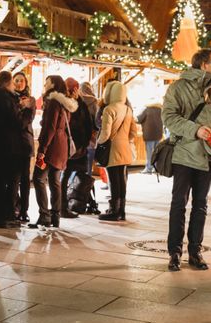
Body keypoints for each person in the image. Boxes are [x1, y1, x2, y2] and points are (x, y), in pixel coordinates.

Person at [164, 48, 211, 272]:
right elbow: (168, 117)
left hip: (207, 154)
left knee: (201, 205)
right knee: (179, 203)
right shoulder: (178, 87)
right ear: (203, 64)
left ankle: (195, 251)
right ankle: (174, 253)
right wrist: (195, 130)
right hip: (184, 153)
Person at [30, 75, 76, 228]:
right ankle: (55, 215)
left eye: (47, 82)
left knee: (38, 178)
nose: (44, 84)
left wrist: (42, 149)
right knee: (55, 181)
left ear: (53, 85)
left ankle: (44, 215)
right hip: (61, 145)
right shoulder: (64, 102)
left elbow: (50, 127)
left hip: (52, 146)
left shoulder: (53, 102)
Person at [0, 71, 27, 228]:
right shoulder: (6, 98)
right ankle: (7, 216)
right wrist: (24, 109)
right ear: (8, 83)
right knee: (10, 182)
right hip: (10, 146)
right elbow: (17, 122)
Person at [97, 80, 138, 222]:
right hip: (125, 147)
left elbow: (105, 134)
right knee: (121, 179)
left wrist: (98, 143)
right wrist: (125, 140)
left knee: (113, 180)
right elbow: (133, 131)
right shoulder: (128, 109)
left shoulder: (109, 109)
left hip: (113, 149)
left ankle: (114, 211)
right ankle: (122, 210)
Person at [63, 77, 95, 215]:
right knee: (65, 176)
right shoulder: (64, 103)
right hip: (69, 147)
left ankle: (80, 202)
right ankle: (63, 206)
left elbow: (87, 123)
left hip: (81, 146)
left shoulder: (81, 103)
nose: (73, 91)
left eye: (75, 89)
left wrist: (86, 142)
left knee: (81, 175)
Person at [12, 72, 36, 223]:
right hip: (12, 144)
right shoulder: (11, 98)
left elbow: (24, 121)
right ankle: (16, 206)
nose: (19, 83)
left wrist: (19, 108)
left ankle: (24, 210)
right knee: (14, 178)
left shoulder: (31, 100)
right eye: (16, 81)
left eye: (22, 81)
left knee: (25, 180)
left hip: (25, 143)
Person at [137, 100, 163, 176]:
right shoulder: (160, 110)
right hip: (158, 134)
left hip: (149, 134)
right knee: (156, 152)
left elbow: (139, 119)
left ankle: (148, 169)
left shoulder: (146, 109)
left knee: (149, 152)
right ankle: (156, 169)